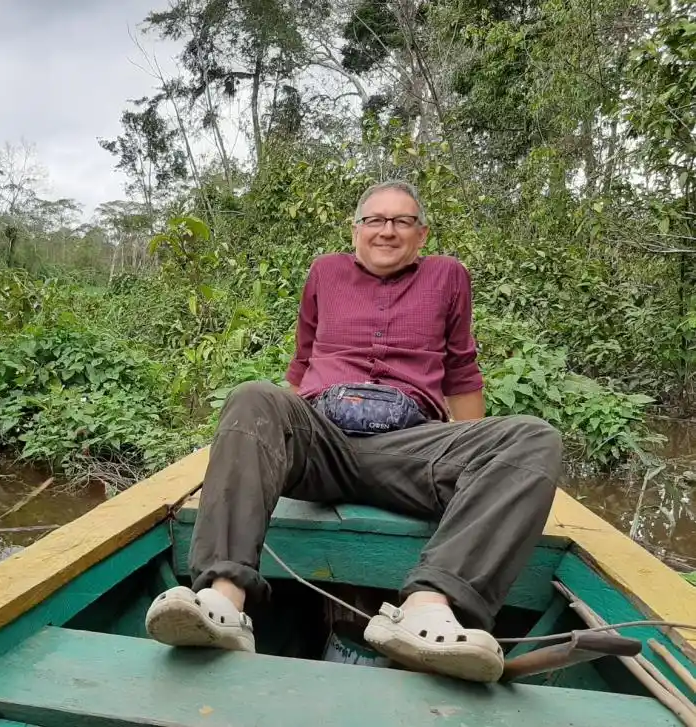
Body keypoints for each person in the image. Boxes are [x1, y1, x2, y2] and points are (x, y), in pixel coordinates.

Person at [144, 180, 562, 683]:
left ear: (421, 233)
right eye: (375, 220)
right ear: (356, 229)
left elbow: (461, 372)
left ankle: (429, 607)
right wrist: (273, 438)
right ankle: (223, 601)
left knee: (535, 437)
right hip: (323, 438)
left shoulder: (448, 276)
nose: (387, 231)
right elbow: (301, 363)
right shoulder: (325, 271)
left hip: (409, 448)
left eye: (401, 221)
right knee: (253, 396)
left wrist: (471, 459)